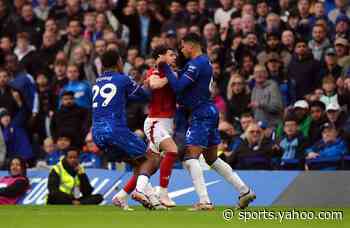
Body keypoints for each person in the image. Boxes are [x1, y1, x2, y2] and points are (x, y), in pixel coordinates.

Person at [159, 33, 255, 210]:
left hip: (201, 113)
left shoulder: (197, 63)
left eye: (182, 46)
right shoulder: (202, 62)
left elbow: (179, 86)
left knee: (189, 158)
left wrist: (165, 69)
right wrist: (176, 71)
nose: (181, 50)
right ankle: (244, 190)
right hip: (209, 111)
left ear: (191, 45)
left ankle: (204, 201)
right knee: (211, 158)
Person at [91, 50, 162, 210]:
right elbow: (145, 96)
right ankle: (139, 192)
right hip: (114, 130)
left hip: (96, 132)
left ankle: (126, 197)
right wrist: (147, 83)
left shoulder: (98, 81)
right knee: (152, 159)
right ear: (118, 62)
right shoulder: (122, 79)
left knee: (138, 164)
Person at [114, 45, 178, 209]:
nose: (174, 57)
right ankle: (159, 193)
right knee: (172, 151)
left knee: (151, 164)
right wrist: (173, 78)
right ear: (159, 57)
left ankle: (121, 196)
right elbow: (155, 85)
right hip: (155, 122)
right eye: (170, 54)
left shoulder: (171, 73)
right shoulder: (153, 72)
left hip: (167, 123)